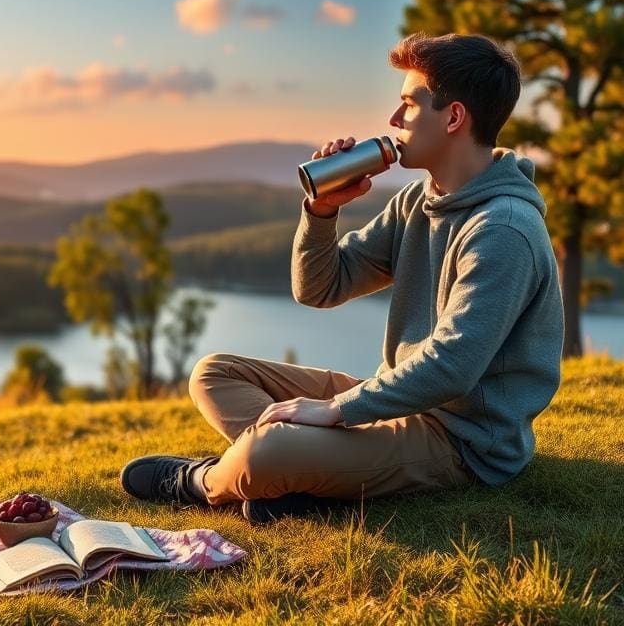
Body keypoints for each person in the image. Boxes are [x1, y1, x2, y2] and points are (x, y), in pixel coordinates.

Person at [119, 32, 565, 524]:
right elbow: (319, 288)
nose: (394, 121)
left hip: (460, 440)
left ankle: (201, 480)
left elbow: (454, 365)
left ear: (454, 117)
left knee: (267, 451)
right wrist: (322, 210)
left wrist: (336, 410)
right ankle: (304, 486)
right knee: (215, 373)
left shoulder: (502, 229)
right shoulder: (417, 203)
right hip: (400, 402)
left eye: (409, 105)